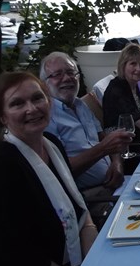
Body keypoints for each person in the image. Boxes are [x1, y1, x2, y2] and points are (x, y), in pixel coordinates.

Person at [0, 72, 97, 266]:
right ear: (2, 117)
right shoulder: (1, 168)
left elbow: (81, 213)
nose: (32, 108)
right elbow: (21, 259)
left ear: (48, 101)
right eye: (17, 103)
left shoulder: (52, 144)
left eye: (37, 98)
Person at [40, 52, 132, 193]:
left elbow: (103, 138)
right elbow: (60, 171)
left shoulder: (80, 105)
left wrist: (117, 163)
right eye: (57, 74)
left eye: (71, 72)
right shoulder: (46, 117)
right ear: (44, 84)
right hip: (92, 196)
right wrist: (103, 149)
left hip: (116, 183)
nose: (66, 78)